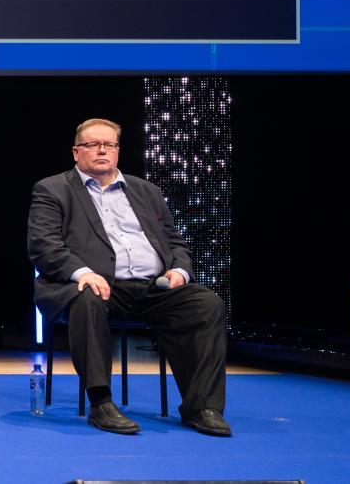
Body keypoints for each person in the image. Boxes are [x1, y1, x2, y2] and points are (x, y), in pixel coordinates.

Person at [28, 117, 230, 437]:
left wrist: (179, 270)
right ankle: (101, 403)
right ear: (76, 152)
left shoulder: (146, 190)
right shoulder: (53, 189)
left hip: (153, 287)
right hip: (92, 285)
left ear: (118, 151)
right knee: (88, 298)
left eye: (109, 144)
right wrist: (84, 272)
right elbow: (44, 245)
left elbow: (174, 241)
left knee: (206, 303)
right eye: (93, 145)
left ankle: (202, 407)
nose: (102, 151)